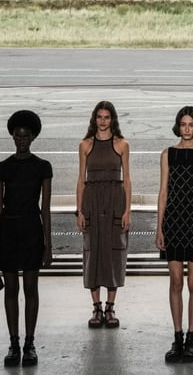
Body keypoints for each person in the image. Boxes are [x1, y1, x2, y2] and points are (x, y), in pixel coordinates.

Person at [0, 110, 53, 368]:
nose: (22, 140)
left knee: (31, 288)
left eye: (26, 136)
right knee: (12, 290)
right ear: (12, 136)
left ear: (34, 137)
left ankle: (29, 343)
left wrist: (48, 245)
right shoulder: (2, 168)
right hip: (9, 230)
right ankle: (14, 343)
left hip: (31, 231)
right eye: (18, 135)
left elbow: (45, 209)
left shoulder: (42, 167)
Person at [157, 106, 193, 363]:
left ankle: (192, 337)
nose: (187, 128)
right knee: (176, 282)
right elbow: (163, 192)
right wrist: (159, 227)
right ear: (178, 126)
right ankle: (177, 336)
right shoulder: (168, 154)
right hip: (173, 222)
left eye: (191, 124)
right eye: (183, 124)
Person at [75, 101, 131, 330]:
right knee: (93, 252)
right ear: (94, 119)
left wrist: (127, 210)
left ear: (113, 119)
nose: (103, 121)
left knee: (114, 253)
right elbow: (81, 179)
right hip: (92, 200)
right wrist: (79, 211)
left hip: (115, 200)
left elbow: (127, 179)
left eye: (107, 117)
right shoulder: (85, 145)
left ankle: (110, 306)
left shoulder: (122, 145)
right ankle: (96, 307)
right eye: (99, 117)